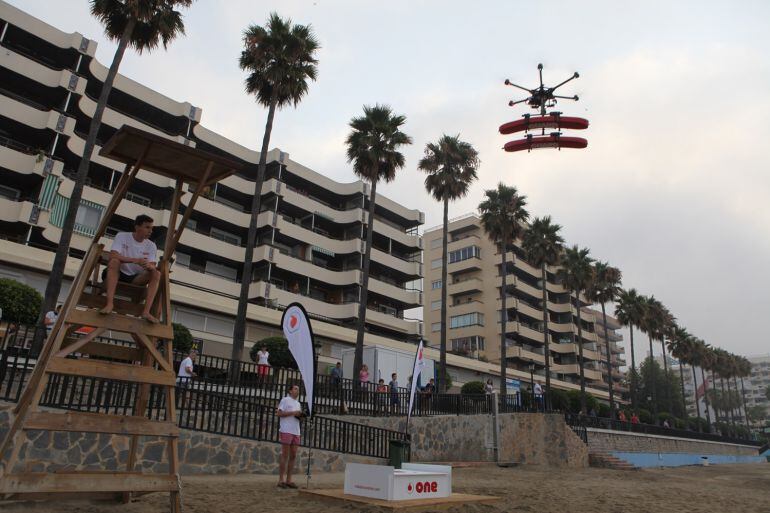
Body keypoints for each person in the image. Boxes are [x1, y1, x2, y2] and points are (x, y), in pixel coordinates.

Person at [100, 214, 160, 323]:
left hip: (135, 279)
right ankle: (109, 303)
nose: (150, 231)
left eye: (152, 228)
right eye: (147, 227)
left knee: (156, 273)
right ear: (137, 227)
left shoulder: (151, 245)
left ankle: (146, 312)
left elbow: (152, 264)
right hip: (116, 273)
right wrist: (135, 260)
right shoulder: (122, 236)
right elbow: (113, 255)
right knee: (114, 262)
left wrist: (148, 266)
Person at [277, 384, 303, 489]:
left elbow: (298, 417)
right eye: (295, 389)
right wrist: (293, 413)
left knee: (293, 456)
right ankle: (281, 480)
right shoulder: (285, 400)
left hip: (296, 431)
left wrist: (301, 416)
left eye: (298, 389)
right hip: (286, 430)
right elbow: (279, 413)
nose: (297, 391)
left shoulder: (298, 403)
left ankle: (289, 480)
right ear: (290, 391)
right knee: (285, 455)